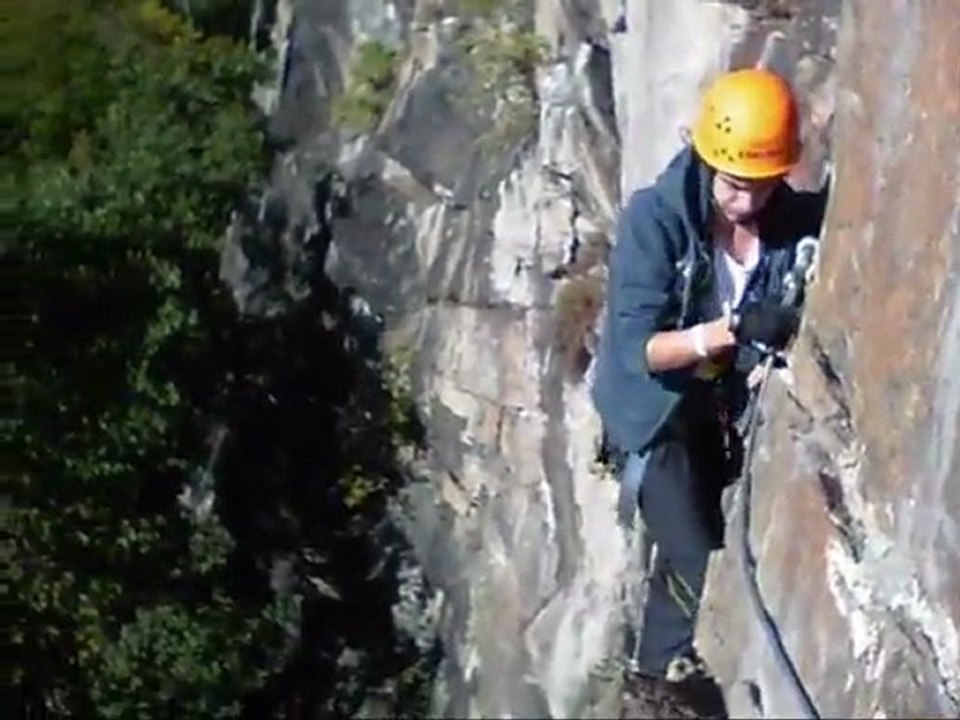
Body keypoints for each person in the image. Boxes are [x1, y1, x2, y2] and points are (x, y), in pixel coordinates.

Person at [591, 68, 828, 690]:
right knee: (695, 544)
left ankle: (661, 665)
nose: (747, 201)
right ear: (705, 159)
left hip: (722, 403)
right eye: (733, 184)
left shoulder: (790, 221)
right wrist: (726, 331)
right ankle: (658, 682)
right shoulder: (656, 220)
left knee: (708, 530)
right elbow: (637, 348)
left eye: (762, 184)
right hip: (657, 412)